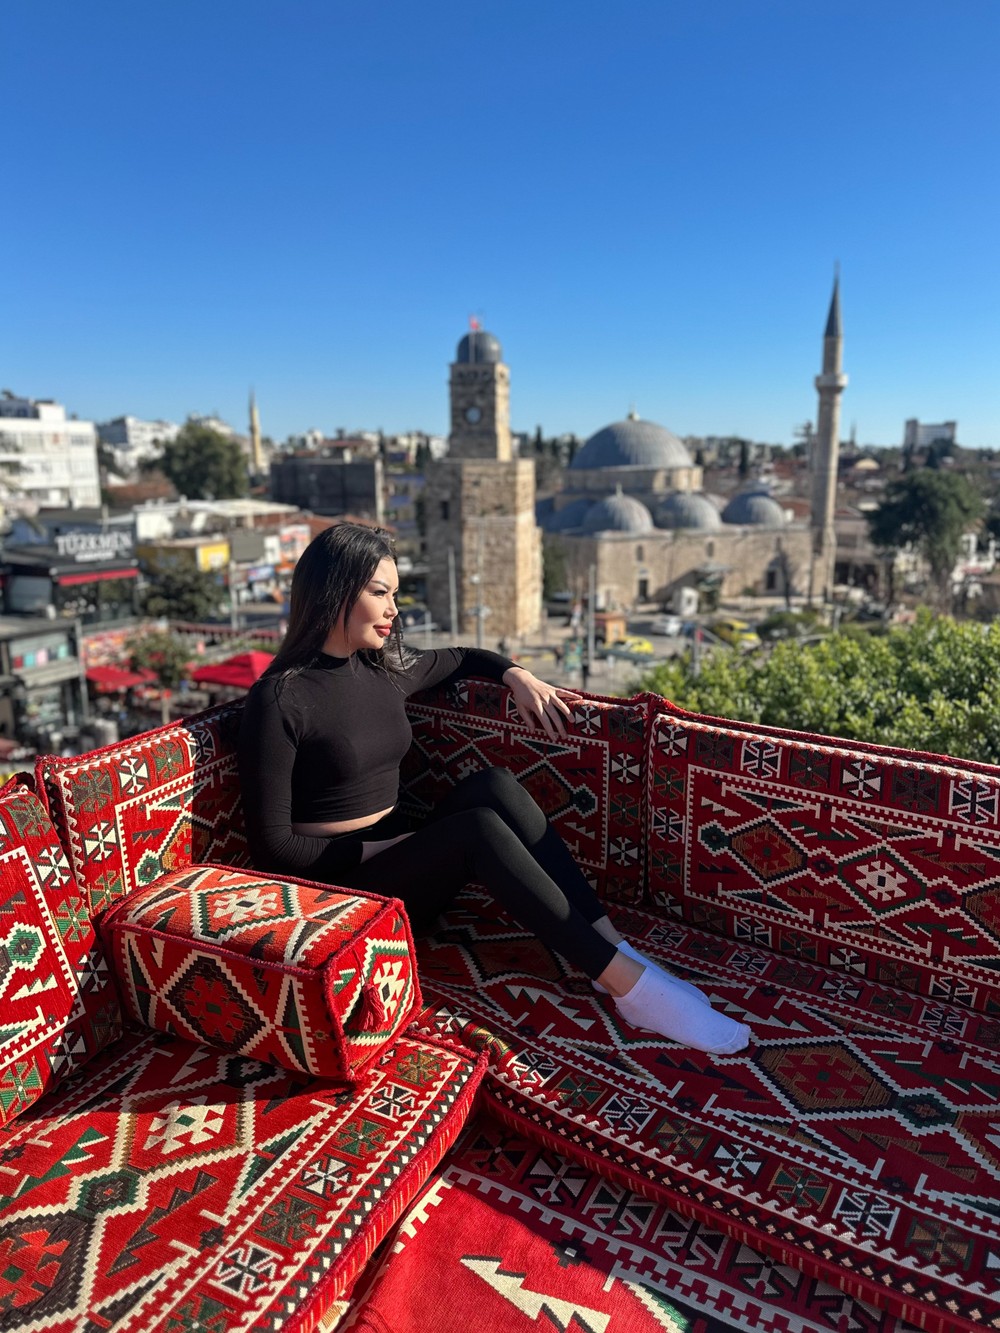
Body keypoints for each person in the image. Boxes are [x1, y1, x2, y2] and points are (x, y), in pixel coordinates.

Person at [238, 523, 750, 1056]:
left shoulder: (383, 669)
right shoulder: (279, 699)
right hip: (344, 892)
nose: (394, 610)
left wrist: (516, 674)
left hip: (405, 867)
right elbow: (274, 850)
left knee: (494, 787)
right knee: (476, 829)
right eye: (380, 593)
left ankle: (614, 948)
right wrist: (389, 845)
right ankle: (631, 989)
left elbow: (463, 657)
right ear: (335, 591)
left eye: (396, 594)